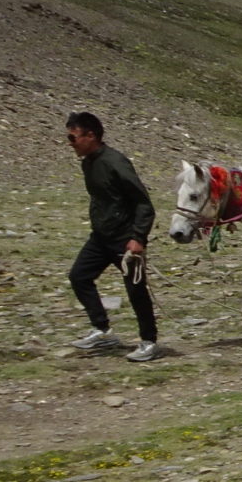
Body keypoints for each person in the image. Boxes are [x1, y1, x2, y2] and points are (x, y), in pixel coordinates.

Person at [65, 112, 161, 362]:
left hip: (126, 239)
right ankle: (102, 331)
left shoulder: (115, 162)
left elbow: (143, 203)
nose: (70, 144)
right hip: (101, 237)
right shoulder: (88, 163)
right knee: (79, 276)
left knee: (136, 290)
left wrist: (138, 238)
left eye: (73, 138)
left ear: (90, 135)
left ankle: (149, 342)